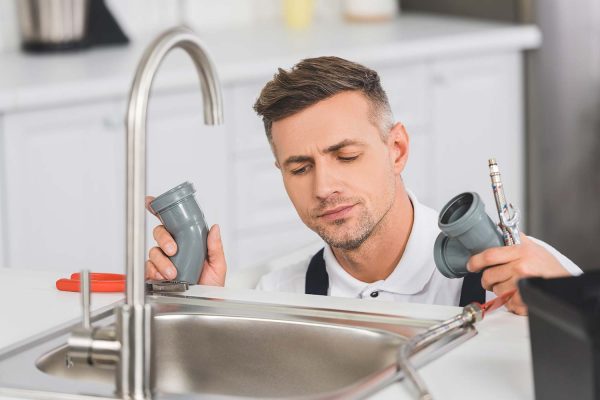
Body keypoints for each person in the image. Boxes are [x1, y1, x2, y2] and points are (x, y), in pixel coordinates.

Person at [145, 56, 581, 316]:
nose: (323, 186)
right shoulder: (280, 297)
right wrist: (195, 309)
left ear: (397, 149)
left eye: (346, 156)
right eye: (299, 169)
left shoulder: (526, 274)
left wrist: (570, 309)